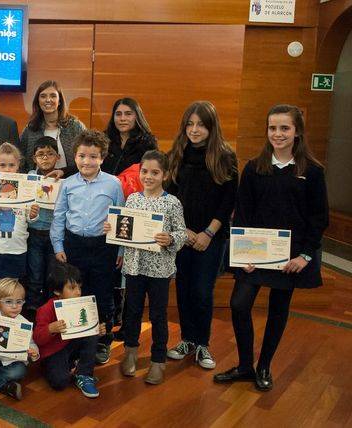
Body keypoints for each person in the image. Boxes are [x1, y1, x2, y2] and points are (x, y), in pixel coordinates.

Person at [214, 104, 328, 392]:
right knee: (239, 304)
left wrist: (304, 256)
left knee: (279, 309)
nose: (277, 134)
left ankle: (264, 365)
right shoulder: (254, 168)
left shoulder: (312, 172)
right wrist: (243, 255)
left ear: (297, 132)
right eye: (272, 128)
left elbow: (318, 218)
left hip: (291, 258)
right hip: (254, 255)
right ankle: (244, 365)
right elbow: (243, 214)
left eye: (284, 128)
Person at [166, 101, 238, 370]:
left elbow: (228, 201)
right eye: (190, 124)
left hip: (212, 236)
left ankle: (202, 343)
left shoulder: (225, 157)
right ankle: (187, 340)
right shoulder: (176, 154)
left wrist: (208, 233)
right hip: (181, 234)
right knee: (183, 288)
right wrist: (182, 230)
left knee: (202, 290)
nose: (194, 130)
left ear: (211, 127)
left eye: (200, 125)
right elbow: (169, 197)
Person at [111, 150, 186, 385]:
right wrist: (113, 230)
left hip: (159, 270)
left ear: (165, 174)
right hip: (134, 267)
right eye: (145, 171)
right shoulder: (133, 199)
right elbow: (124, 229)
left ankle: (157, 361)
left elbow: (182, 232)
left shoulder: (172, 203)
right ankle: (130, 354)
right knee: (131, 312)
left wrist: (171, 238)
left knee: (157, 315)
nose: (149, 176)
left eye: (155, 172)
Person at [50, 129, 124, 364]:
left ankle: (103, 340)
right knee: (74, 293)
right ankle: (75, 338)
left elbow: (121, 218)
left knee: (102, 294)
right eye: (82, 156)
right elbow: (59, 216)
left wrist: (120, 249)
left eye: (93, 156)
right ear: (75, 157)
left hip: (103, 247)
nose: (87, 161)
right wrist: (58, 245)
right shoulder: (68, 184)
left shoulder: (113, 184)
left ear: (102, 158)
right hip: (74, 245)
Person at [102, 97, 158, 336]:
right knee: (111, 267)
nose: (122, 118)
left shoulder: (148, 144)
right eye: (118, 114)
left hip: (135, 213)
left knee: (130, 270)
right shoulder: (106, 141)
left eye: (127, 113)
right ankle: (111, 319)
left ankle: (128, 324)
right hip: (107, 211)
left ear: (137, 116)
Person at [0, 143, 39, 312]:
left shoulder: (26, 187)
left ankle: (9, 323)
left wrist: (33, 214)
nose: (8, 169)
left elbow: (30, 219)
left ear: (18, 165)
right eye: (3, 165)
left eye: (12, 165)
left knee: (12, 290)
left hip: (17, 249)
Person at [34, 262, 103, 398]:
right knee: (59, 382)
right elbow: (37, 339)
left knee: (92, 335)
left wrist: (97, 330)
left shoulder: (82, 304)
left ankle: (84, 374)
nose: (78, 292)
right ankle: (71, 366)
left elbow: (87, 332)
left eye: (79, 287)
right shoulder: (45, 309)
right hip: (54, 351)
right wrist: (50, 329)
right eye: (72, 288)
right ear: (57, 291)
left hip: (72, 344)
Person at [20, 80, 86, 176]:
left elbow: (86, 157)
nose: (48, 100)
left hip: (70, 182)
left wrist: (65, 171)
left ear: (59, 101)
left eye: (53, 96)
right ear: (38, 101)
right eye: (43, 96)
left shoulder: (75, 126)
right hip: (37, 186)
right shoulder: (31, 128)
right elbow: (21, 160)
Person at [26, 136, 61, 311]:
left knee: (52, 275)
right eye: (40, 154)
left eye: (50, 154)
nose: (45, 158)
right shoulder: (29, 178)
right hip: (33, 233)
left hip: (54, 236)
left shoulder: (63, 180)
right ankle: (32, 310)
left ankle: (48, 312)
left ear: (58, 157)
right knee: (35, 275)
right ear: (34, 158)